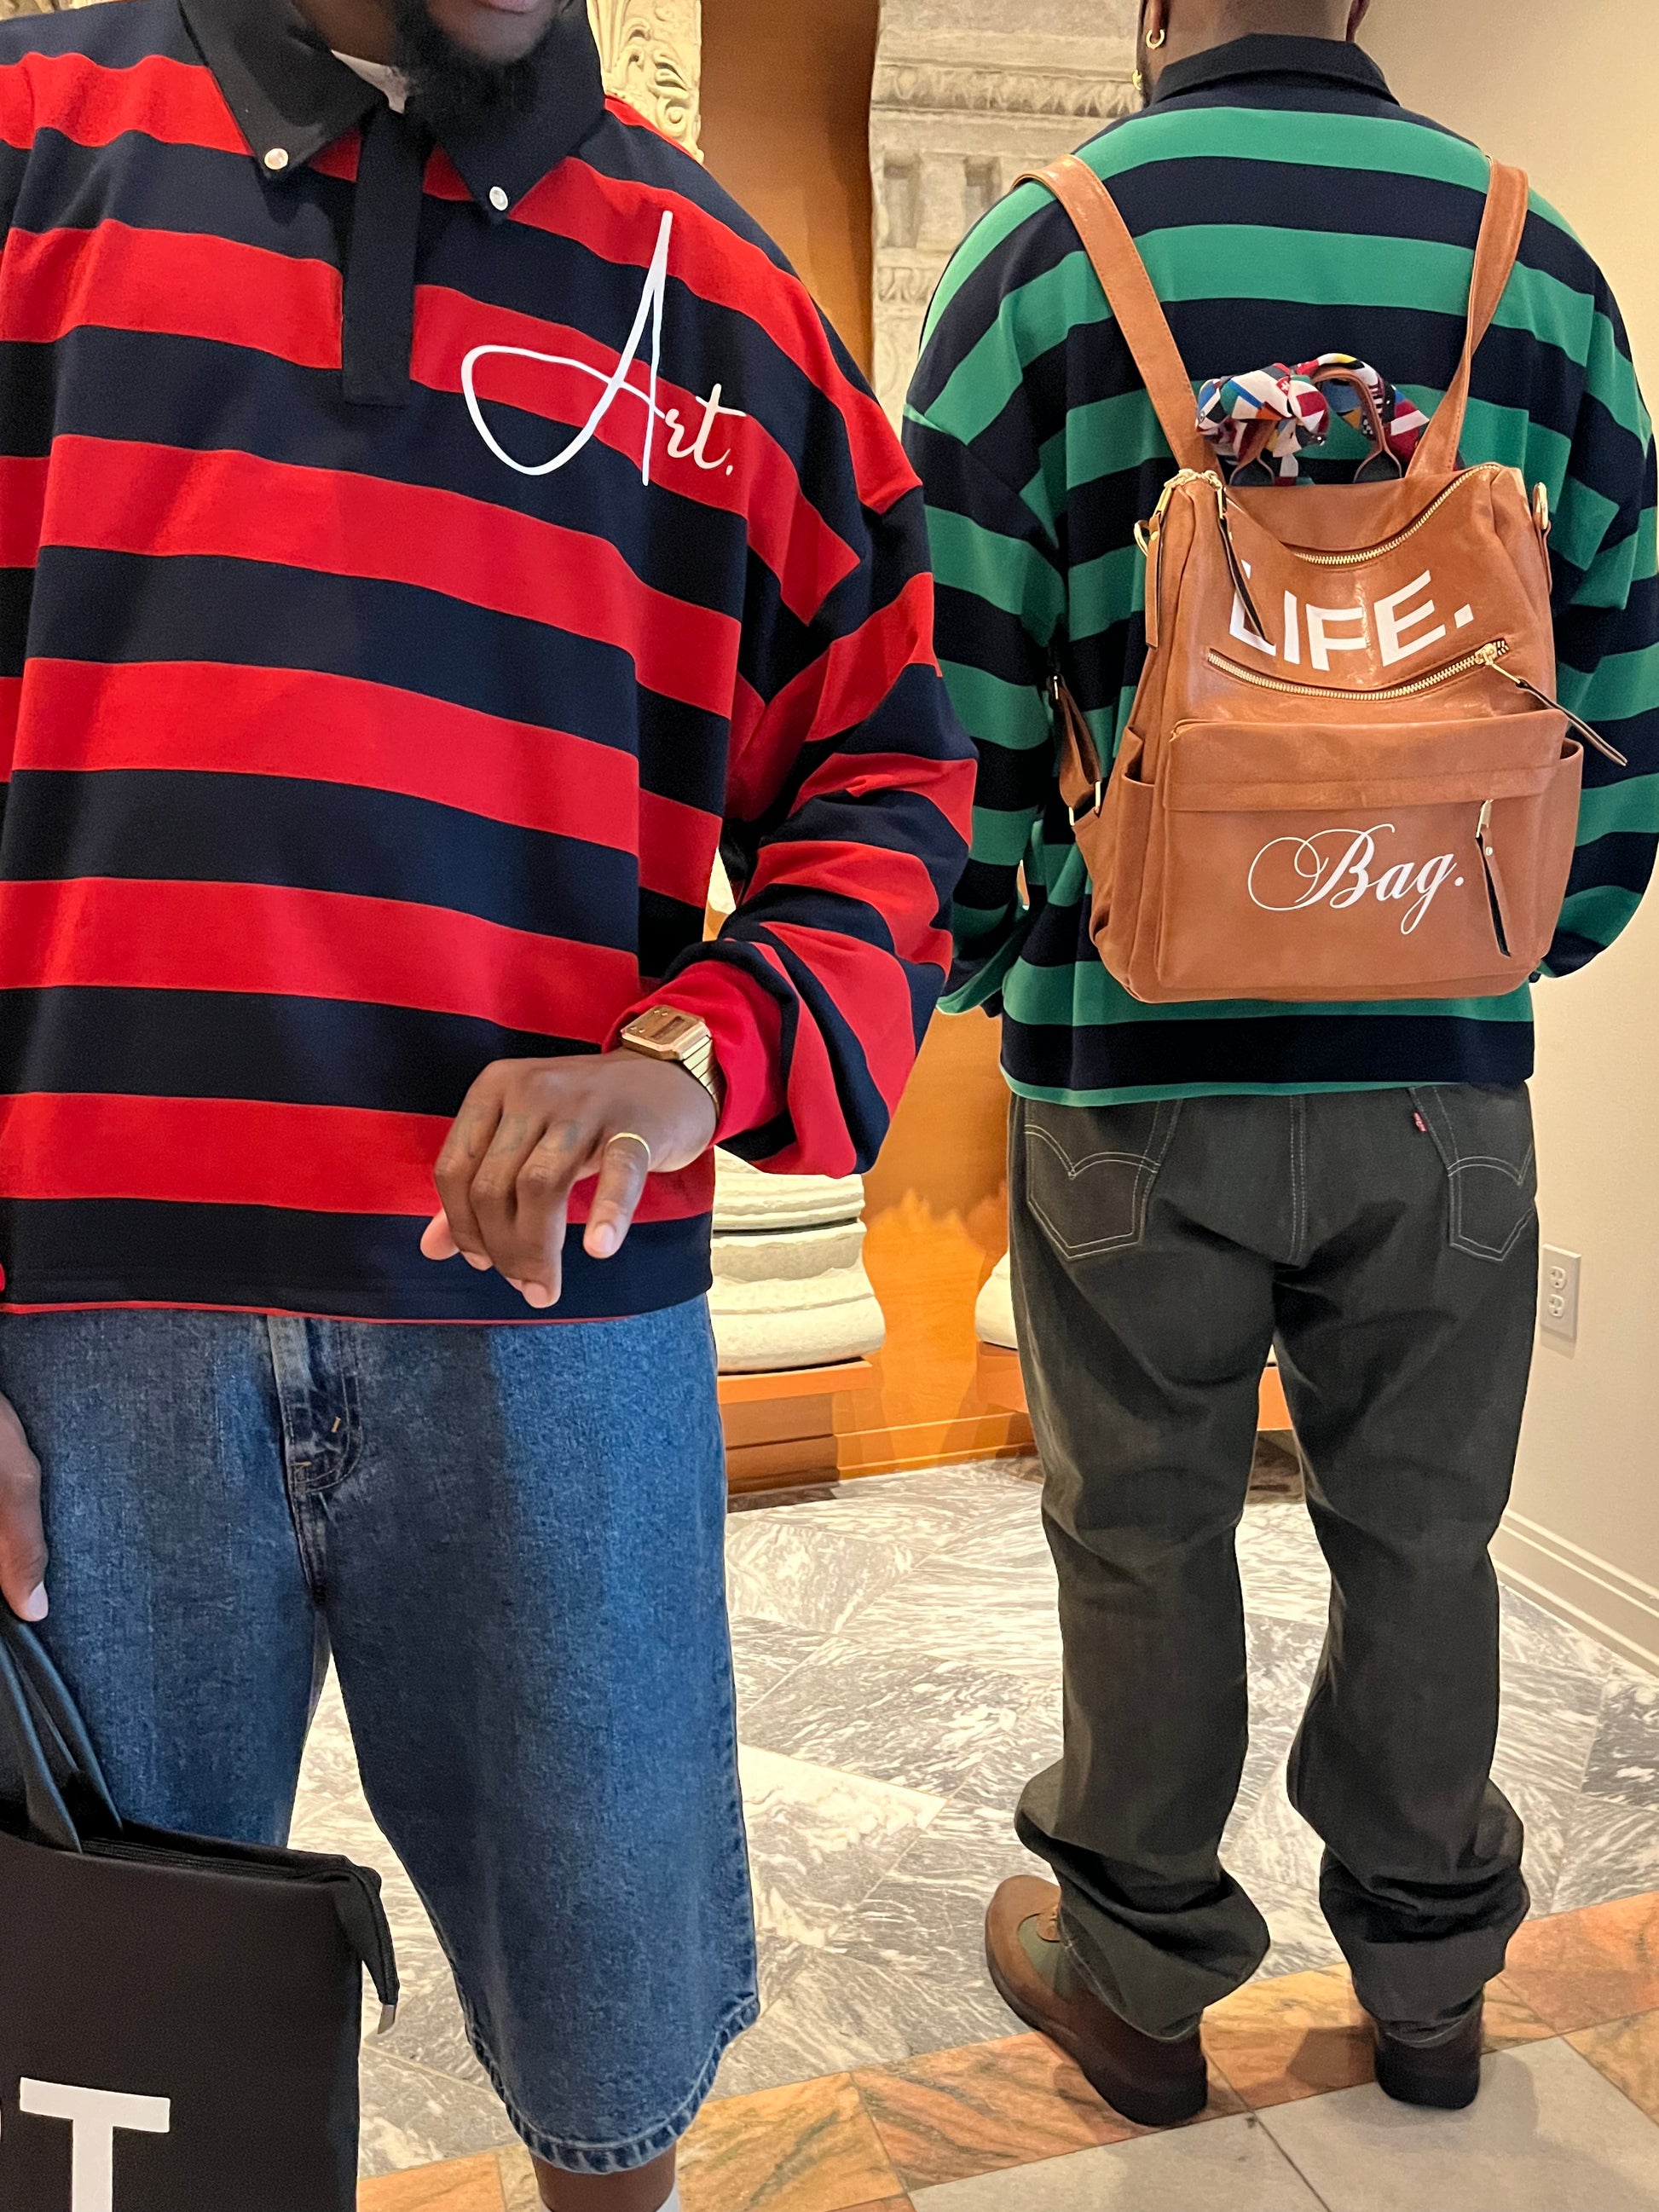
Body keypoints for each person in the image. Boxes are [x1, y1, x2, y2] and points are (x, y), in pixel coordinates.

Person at [0, 0, 974, 2200]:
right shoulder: (32, 147)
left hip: (555, 1332)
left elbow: (898, 773)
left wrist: (696, 1051)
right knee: (87, 2062)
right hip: (71, 1330)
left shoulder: (723, 297)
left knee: (613, 2043)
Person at [907, 0, 1658, 2128]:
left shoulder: (1043, 259)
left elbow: (949, 684)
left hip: (1129, 1067)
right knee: (1423, 1527)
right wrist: (1522, 939)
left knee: (1138, 1523)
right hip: (1442, 1072)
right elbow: (1625, 666)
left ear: (1154, 6)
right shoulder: (1540, 267)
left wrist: (989, 955)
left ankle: (1139, 1978)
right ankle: (1428, 1981)